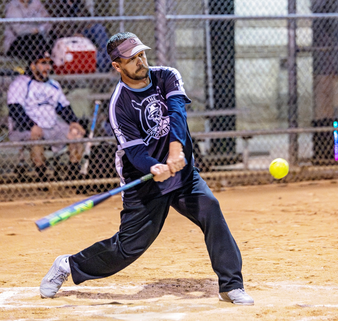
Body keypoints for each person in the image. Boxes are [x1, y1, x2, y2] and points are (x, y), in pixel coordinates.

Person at [39, 32, 254, 305]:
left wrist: (175, 151)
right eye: (133, 58)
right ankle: (67, 265)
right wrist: (155, 167)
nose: (141, 61)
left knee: (210, 208)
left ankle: (231, 284)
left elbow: (178, 114)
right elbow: (135, 153)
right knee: (127, 249)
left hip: (183, 173)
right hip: (144, 181)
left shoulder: (166, 76)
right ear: (117, 66)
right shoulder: (119, 105)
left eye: (142, 54)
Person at [7, 41, 85, 183]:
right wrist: (31, 125)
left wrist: (74, 122)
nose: (47, 67)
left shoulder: (53, 85)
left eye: (49, 63)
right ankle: (42, 176)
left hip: (52, 126)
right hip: (27, 127)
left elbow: (64, 107)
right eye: (43, 63)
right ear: (32, 65)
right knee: (35, 136)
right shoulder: (21, 83)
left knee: (76, 133)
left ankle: (73, 175)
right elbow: (15, 110)